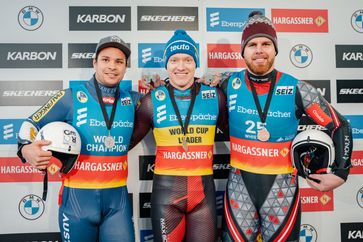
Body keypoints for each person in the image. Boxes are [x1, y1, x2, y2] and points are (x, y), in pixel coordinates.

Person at [208, 11, 353, 242]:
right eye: (252, 44)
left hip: (282, 195)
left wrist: (342, 172)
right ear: (242, 50)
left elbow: (340, 125)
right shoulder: (227, 82)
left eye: (266, 44)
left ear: (275, 49)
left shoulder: (296, 88)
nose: (259, 50)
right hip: (239, 192)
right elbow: (189, 90)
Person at [17, 35, 142, 242]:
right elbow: (31, 123)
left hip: (118, 205)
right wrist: (25, 149)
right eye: (106, 60)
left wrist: (196, 86)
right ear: (94, 62)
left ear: (125, 67)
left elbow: (168, 99)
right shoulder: (70, 96)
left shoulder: (133, 100)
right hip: (77, 204)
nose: (112, 66)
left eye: (119, 61)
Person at [129, 29, 228, 242]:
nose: (181, 66)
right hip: (166, 199)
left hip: (203, 198)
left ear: (196, 64)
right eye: (174, 60)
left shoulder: (215, 97)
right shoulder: (151, 100)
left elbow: (240, 134)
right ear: (166, 64)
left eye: (188, 59)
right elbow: (123, 143)